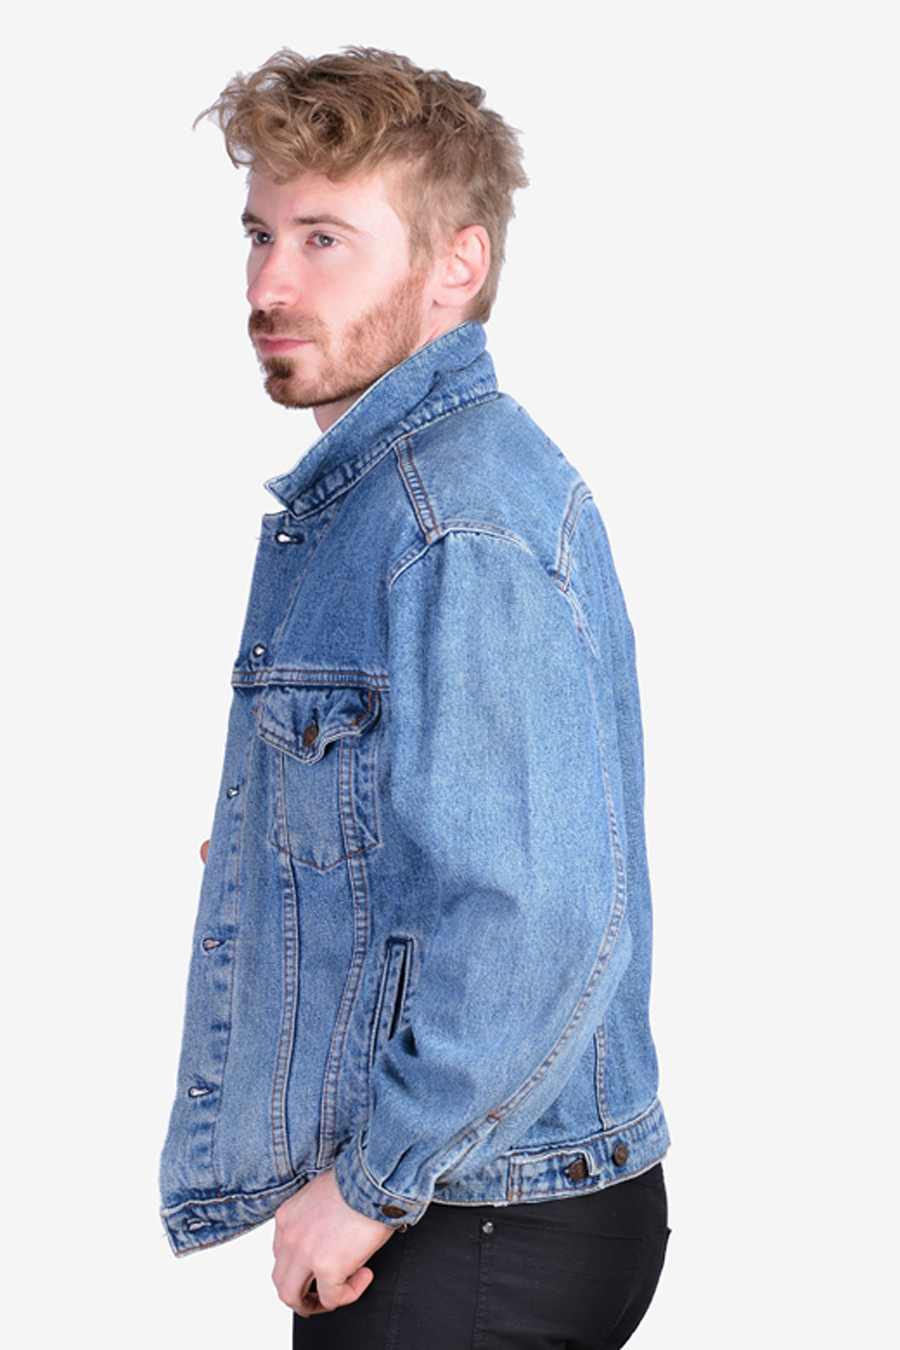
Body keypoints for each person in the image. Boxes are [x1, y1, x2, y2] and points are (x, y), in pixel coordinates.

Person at [160, 47, 670, 1350]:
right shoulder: (387, 499)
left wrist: (368, 1188)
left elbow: (539, 911)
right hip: (471, 1206)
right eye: (261, 235)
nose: (269, 285)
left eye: (324, 239)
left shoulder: (455, 519)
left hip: (476, 1215)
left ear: (458, 263)